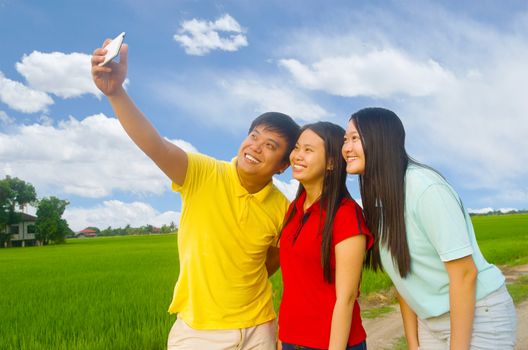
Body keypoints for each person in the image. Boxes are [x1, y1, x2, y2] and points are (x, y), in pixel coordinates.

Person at [91, 40, 300, 349]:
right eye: (254, 136)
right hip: (199, 330)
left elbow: (274, 260)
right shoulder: (201, 173)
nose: (255, 146)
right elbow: (155, 145)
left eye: (270, 145)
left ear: (283, 166)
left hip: (260, 326)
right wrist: (115, 92)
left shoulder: (282, 208)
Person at [342, 107, 517, 350]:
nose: (346, 148)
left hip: (479, 316)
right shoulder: (381, 201)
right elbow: (403, 278)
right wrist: (413, 343)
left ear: (381, 139)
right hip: (431, 324)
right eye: (345, 139)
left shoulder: (425, 188)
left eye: (354, 138)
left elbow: (465, 275)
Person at [278, 122, 373, 350]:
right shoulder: (294, 208)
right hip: (292, 339)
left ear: (331, 162)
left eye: (308, 150)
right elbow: (293, 285)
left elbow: (346, 298)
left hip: (332, 343)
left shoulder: (346, 214)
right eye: (297, 148)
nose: (298, 156)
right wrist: (282, 339)